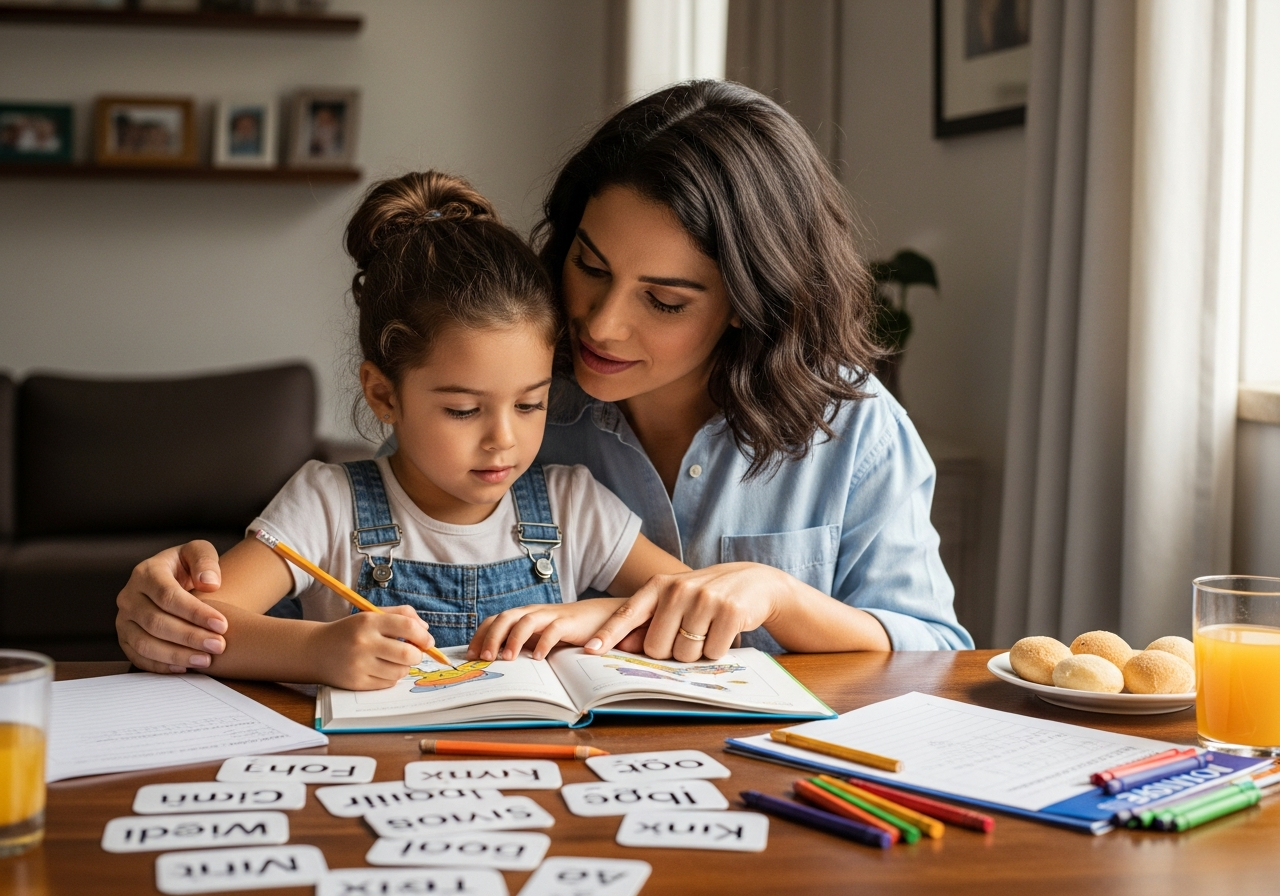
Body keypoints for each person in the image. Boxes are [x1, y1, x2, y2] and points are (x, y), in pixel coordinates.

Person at [115, 81, 973, 676]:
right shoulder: (513, 389)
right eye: (589, 267)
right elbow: (373, 525)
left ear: (749, 301)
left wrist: (778, 597)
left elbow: (934, 652)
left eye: (664, 301)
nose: (599, 325)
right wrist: (168, 618)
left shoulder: (851, 426)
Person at [195, 170, 688, 690]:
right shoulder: (326, 503)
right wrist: (315, 651)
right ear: (385, 394)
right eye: (462, 410)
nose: (503, 438)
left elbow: (696, 605)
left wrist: (594, 615)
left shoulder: (574, 507)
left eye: (530, 403)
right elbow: (194, 623)